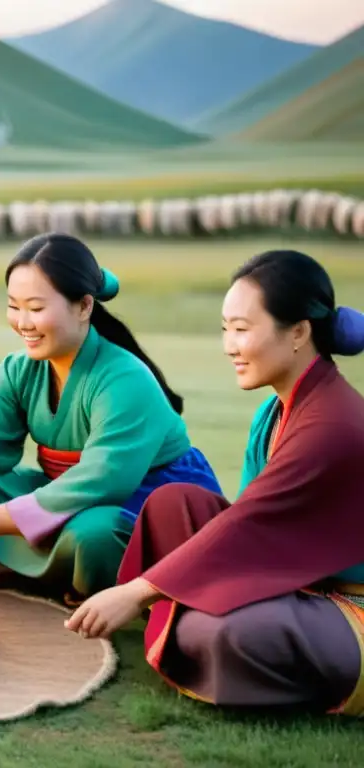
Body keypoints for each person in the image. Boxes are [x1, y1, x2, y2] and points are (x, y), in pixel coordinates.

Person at [65, 249, 364, 714]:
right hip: (296, 580)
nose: (229, 345)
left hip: (349, 607)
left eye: (242, 329)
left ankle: (187, 627)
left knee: (217, 634)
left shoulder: (333, 424)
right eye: (226, 328)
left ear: (299, 333)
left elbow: (249, 523)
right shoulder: (274, 412)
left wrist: (137, 590)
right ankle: (186, 617)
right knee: (172, 505)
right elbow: (250, 530)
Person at [0, 233, 221, 601]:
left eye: (36, 308)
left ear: (84, 306)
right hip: (63, 496)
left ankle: (88, 584)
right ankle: (53, 575)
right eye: (14, 306)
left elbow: (103, 481)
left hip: (141, 504)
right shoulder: (17, 371)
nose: (22, 322)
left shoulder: (126, 379)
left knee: (92, 534)